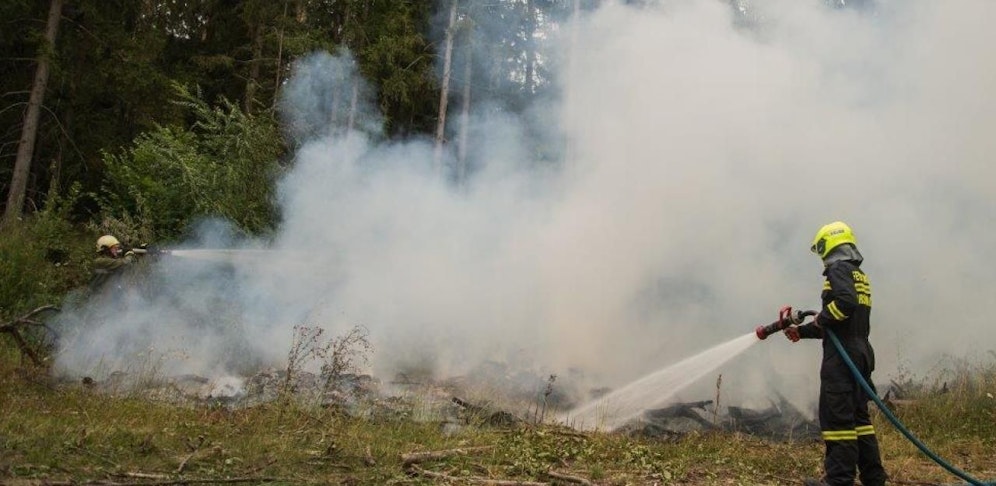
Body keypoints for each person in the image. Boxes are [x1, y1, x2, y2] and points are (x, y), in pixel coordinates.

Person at [783, 221, 887, 486]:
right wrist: (803, 331)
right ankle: (873, 478)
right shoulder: (856, 274)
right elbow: (839, 322)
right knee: (859, 420)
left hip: (842, 361)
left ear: (829, 244)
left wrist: (821, 318)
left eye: (821, 249)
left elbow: (844, 305)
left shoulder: (838, 269)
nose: (821, 257)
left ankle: (838, 481)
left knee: (837, 420)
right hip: (860, 352)